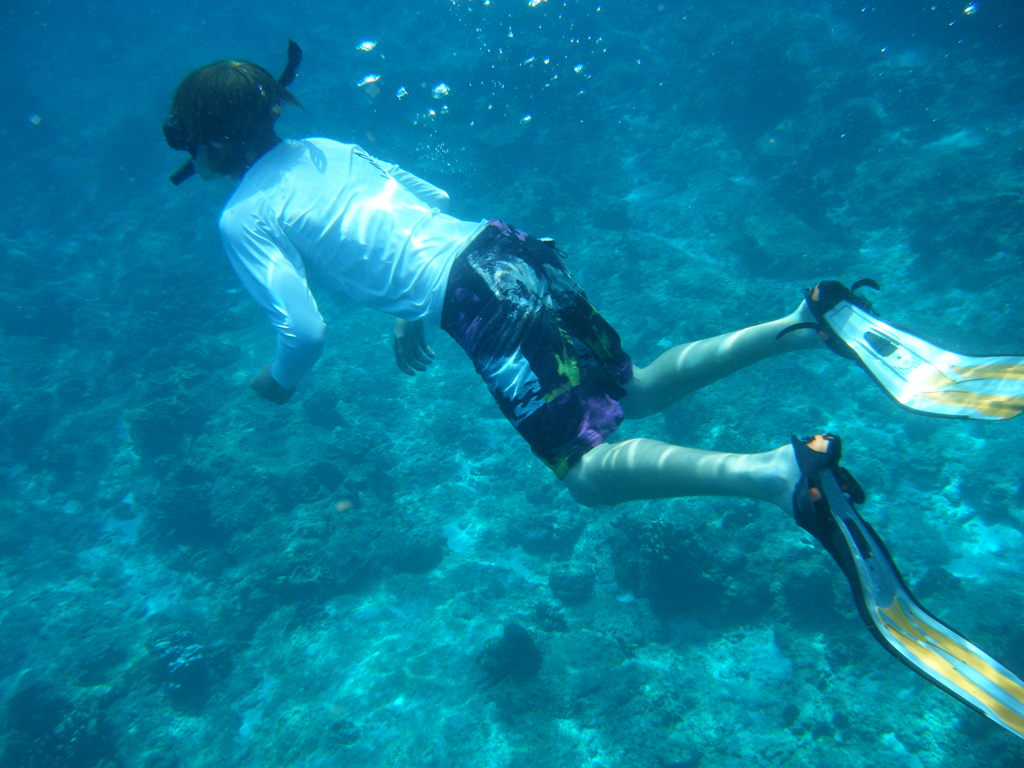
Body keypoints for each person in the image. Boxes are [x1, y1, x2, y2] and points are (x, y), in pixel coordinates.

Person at [163, 47, 1024, 738]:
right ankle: (807, 324)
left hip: (475, 298)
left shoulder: (241, 216)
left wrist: (275, 387)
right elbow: (415, 207)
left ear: (207, 144)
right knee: (635, 390)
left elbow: (303, 331)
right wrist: (406, 310)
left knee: (584, 471)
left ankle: (781, 476)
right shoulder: (323, 150)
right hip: (511, 249)